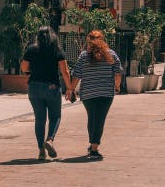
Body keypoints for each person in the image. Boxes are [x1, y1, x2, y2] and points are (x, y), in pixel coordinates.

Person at [68, 30, 123, 160]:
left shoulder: (83, 56)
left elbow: (76, 74)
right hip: (106, 93)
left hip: (88, 93)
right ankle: (94, 147)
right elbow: (118, 73)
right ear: (103, 40)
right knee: (100, 119)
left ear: (89, 40)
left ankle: (93, 144)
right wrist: (116, 86)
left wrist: (71, 89)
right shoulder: (111, 54)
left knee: (92, 117)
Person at [20, 26, 72, 160]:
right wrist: (70, 88)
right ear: (53, 36)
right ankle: (49, 140)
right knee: (55, 116)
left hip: (34, 87)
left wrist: (33, 71)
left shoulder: (31, 49)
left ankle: (41, 151)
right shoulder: (57, 50)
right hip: (52, 87)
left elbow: (24, 67)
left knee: (40, 119)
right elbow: (65, 72)